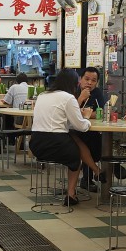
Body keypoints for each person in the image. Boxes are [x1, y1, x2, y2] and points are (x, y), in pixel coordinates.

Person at [29, 69, 103, 206]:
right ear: (73, 83)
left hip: (35, 144)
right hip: (55, 144)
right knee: (75, 155)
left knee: (73, 137)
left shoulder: (42, 95)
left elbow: (64, 122)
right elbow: (81, 126)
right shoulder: (68, 98)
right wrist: (86, 118)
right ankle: (71, 193)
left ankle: (96, 171)